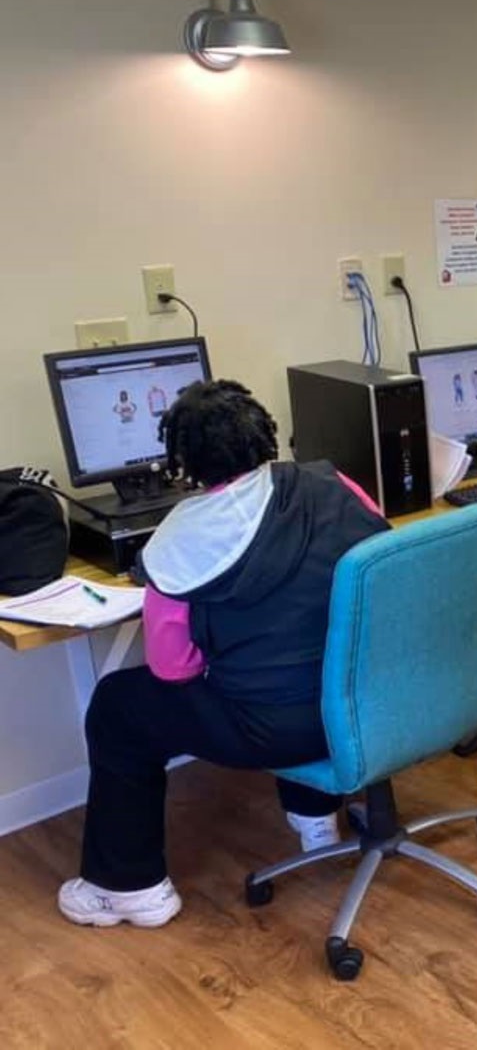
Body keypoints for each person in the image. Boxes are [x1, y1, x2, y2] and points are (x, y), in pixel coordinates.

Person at [58, 380, 389, 929]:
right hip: (366, 701)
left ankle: (128, 887)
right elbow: (381, 559)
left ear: (182, 462)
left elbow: (173, 668)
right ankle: (315, 819)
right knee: (305, 648)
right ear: (262, 433)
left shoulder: (177, 540)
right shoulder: (333, 482)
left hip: (278, 729)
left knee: (118, 705)